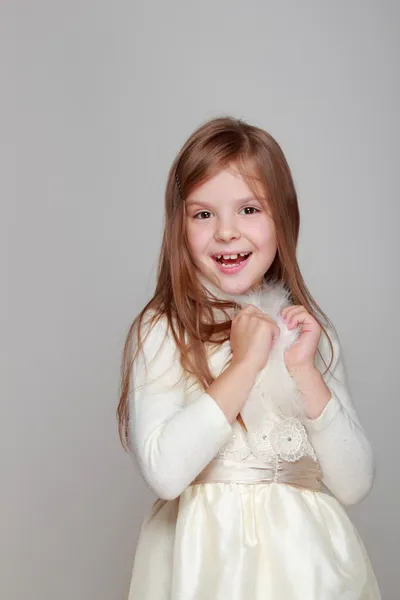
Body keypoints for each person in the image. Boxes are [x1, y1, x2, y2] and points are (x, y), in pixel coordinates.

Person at [117, 116, 381, 599]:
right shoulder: (164, 329)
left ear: (284, 217)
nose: (226, 232)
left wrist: (304, 370)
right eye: (203, 214)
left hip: (310, 568)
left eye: (249, 209)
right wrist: (243, 366)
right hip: (206, 568)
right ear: (179, 226)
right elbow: (166, 473)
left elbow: (353, 483)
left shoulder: (309, 335)